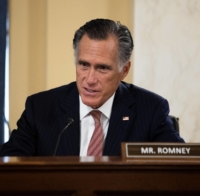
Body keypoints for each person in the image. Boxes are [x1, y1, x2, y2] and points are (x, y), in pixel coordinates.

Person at [0, 18, 184, 157]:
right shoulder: (40, 108)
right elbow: (9, 166)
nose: (89, 79)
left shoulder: (150, 110)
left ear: (124, 70)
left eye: (102, 68)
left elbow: (181, 166)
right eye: (84, 65)